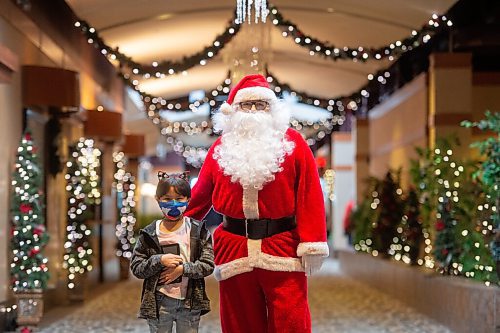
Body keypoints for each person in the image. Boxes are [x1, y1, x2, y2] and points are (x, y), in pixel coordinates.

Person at [185, 74, 329, 333]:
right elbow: (200, 197)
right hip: (234, 248)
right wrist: (178, 231)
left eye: (260, 105)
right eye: (246, 105)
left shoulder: (294, 144)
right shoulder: (221, 148)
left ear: (272, 110)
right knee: (239, 322)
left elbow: (310, 195)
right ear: (233, 111)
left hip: (283, 247)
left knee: (291, 322)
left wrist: (312, 242)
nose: (253, 112)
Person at [131, 171, 214, 333]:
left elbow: (208, 264)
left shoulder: (198, 231)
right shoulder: (149, 234)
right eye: (167, 199)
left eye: (179, 199)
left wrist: (182, 269)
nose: (173, 204)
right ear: (158, 200)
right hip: (159, 301)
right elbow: (137, 268)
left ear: (188, 200)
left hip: (190, 302)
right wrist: (159, 260)